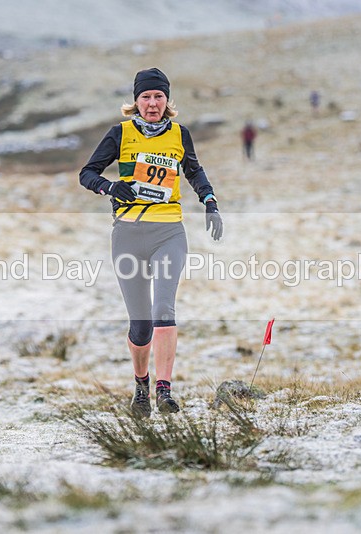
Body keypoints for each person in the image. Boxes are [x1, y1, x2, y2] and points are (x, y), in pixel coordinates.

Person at [79, 67, 223, 417]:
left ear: (167, 100)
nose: (153, 103)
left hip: (168, 232)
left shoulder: (179, 134)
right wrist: (110, 187)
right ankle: (141, 384)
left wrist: (209, 200)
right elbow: (87, 173)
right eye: (146, 96)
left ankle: (164, 390)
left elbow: (194, 170)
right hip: (128, 235)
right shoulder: (120, 133)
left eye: (159, 96)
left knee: (163, 311)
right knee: (141, 325)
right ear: (136, 101)